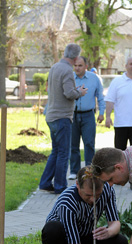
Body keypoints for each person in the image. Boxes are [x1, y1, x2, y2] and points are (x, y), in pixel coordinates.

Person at [41, 166, 128, 244]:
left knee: (120, 242)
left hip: (85, 236)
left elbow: (115, 223)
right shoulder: (67, 202)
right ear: (77, 185)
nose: (93, 199)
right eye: (88, 195)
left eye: (97, 195)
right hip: (63, 238)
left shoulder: (107, 189)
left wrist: (109, 232)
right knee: (52, 229)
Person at [39, 43, 88, 194]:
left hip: (51, 115)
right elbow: (68, 93)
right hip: (62, 117)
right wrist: (80, 92)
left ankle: (45, 182)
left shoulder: (55, 67)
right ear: (76, 57)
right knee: (63, 153)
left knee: (56, 151)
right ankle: (60, 186)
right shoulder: (67, 70)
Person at [68, 56, 105, 180]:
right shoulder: (69, 78)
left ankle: (90, 170)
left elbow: (100, 96)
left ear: (86, 66)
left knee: (89, 143)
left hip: (88, 114)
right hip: (72, 115)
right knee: (73, 144)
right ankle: (74, 170)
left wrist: (101, 112)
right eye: (75, 65)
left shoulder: (94, 79)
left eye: (80, 65)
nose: (77, 68)